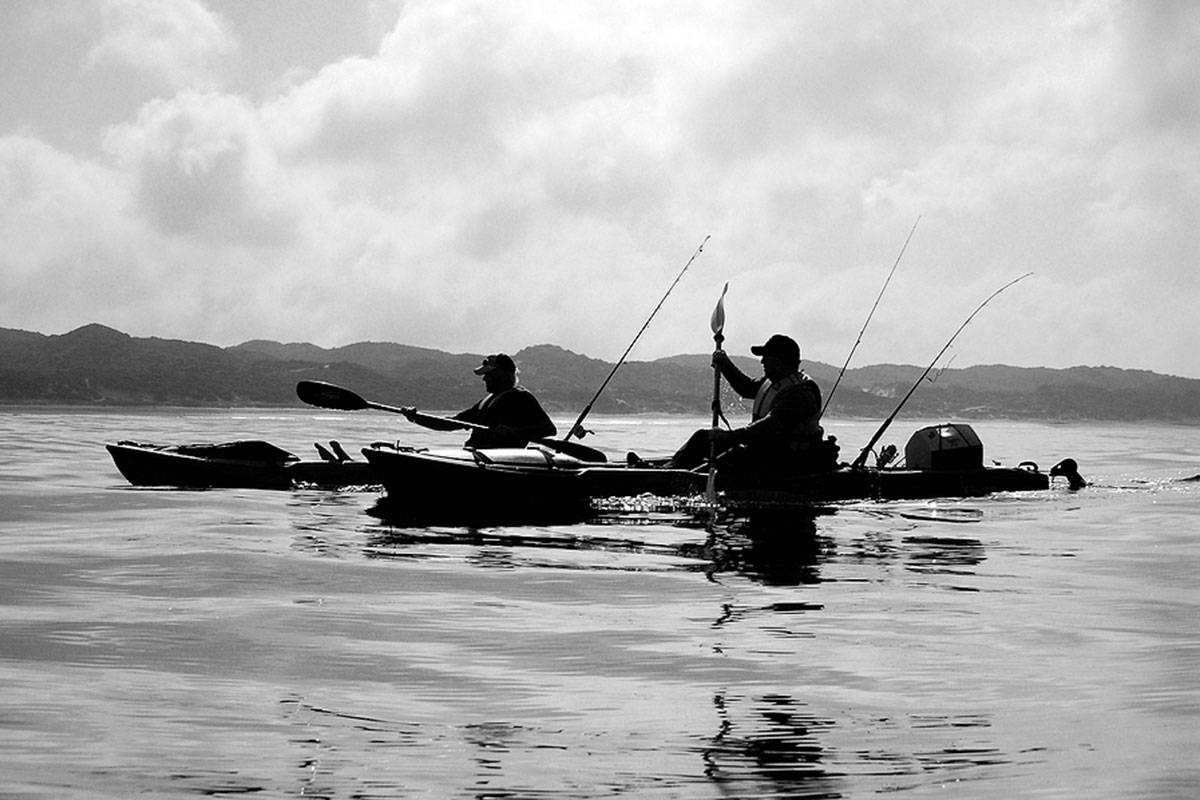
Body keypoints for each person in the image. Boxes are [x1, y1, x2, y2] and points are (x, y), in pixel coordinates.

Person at [665, 333, 826, 471]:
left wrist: (729, 437)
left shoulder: (800, 394)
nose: (762, 362)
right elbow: (746, 388)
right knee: (703, 438)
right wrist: (725, 365)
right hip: (762, 451)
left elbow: (769, 426)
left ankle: (675, 477)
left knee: (729, 457)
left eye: (766, 358)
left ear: (778, 362)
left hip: (784, 460)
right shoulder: (774, 382)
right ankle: (670, 469)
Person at [400, 353, 557, 449]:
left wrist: (514, 432)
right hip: (475, 455)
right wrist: (416, 417)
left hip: (499, 463)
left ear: (502, 375)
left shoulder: (521, 398)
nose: (484, 378)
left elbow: (549, 429)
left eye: (489, 374)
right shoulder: (487, 401)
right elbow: (452, 423)